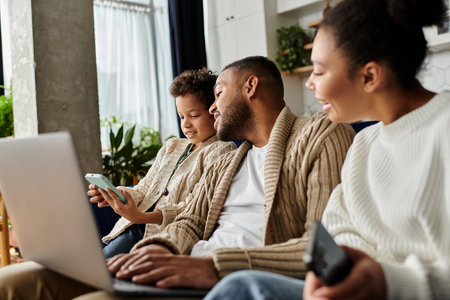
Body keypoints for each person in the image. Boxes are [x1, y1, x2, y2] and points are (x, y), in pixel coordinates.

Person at [0, 56, 354, 300]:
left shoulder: (320, 136)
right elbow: (189, 221)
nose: (214, 108)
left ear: (250, 87)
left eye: (218, 94)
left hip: (220, 278)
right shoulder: (231, 161)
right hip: (179, 265)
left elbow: (324, 245)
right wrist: (156, 248)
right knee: (13, 281)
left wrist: (213, 266)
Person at [203, 0, 450, 299]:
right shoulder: (365, 144)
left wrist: (389, 281)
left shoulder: (443, 130)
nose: (308, 83)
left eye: (319, 72)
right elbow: (337, 227)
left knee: (242, 287)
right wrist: (346, 270)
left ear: (369, 76)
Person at [88, 68, 235, 258]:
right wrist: (116, 194)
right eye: (182, 116)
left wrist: (141, 217)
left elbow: (192, 209)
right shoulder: (172, 146)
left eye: (194, 115)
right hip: (133, 227)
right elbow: (145, 188)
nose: (186, 124)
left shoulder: (221, 151)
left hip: (163, 238)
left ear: (213, 111)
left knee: (95, 275)